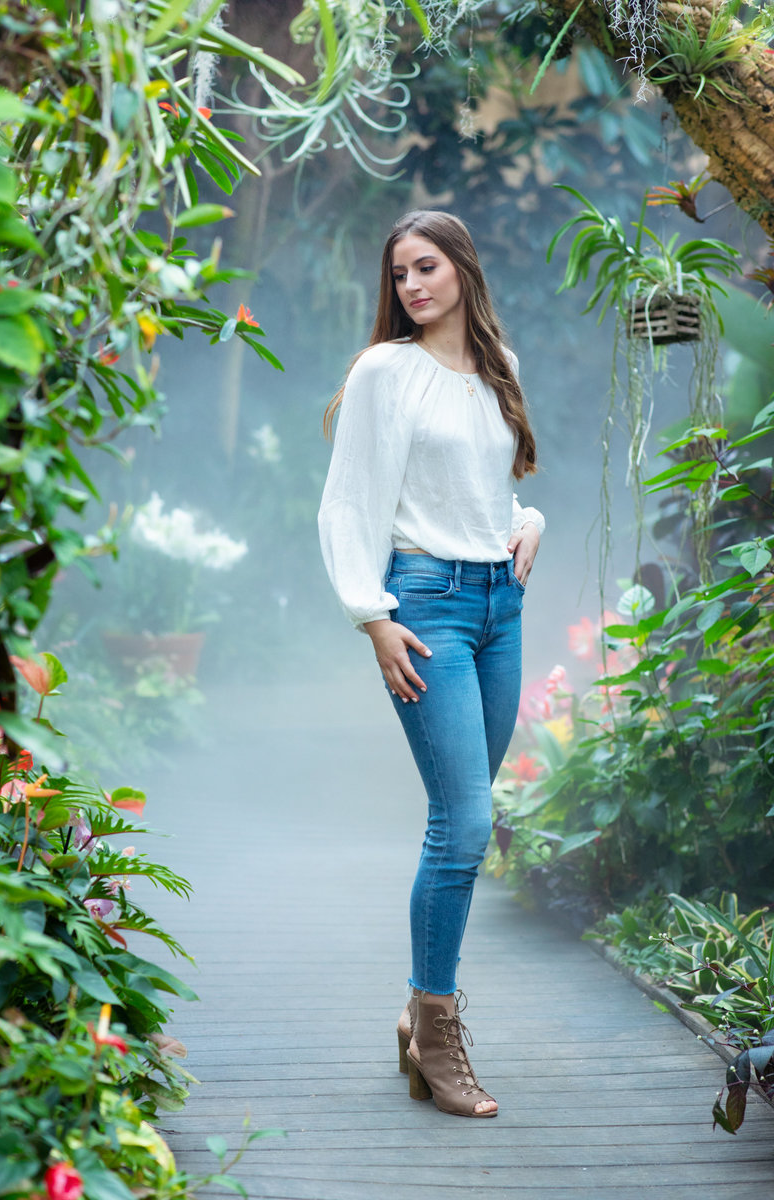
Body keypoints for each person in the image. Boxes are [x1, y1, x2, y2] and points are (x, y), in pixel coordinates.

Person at [317, 210, 544, 1118]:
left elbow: (496, 490)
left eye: (427, 267)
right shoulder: (385, 370)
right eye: (400, 274)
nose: (412, 286)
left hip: (501, 606)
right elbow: (349, 501)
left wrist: (527, 523)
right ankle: (437, 1031)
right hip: (427, 609)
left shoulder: (500, 369)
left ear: (462, 268)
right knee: (463, 822)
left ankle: (420, 1016)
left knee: (465, 818)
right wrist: (371, 616)